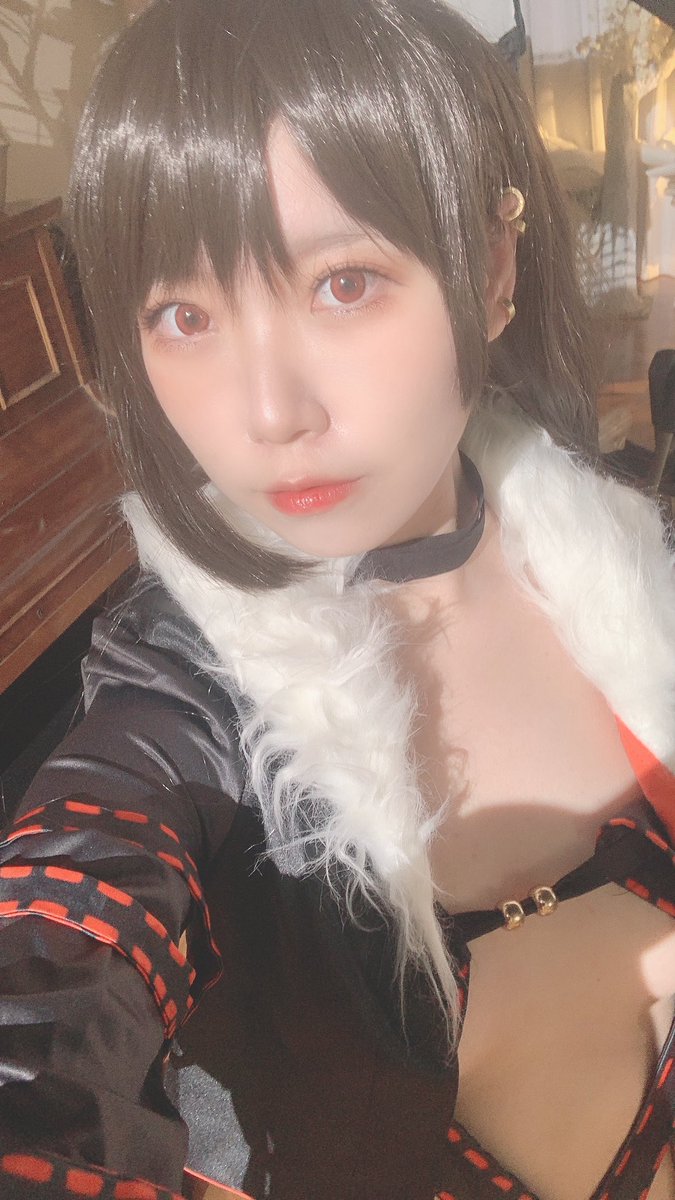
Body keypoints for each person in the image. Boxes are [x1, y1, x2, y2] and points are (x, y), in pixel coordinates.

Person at [0, 1, 673, 1198]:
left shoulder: (616, 553)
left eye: (344, 283)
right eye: (185, 316)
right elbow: (55, 962)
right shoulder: (180, 693)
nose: (270, 412)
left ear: (493, 268)